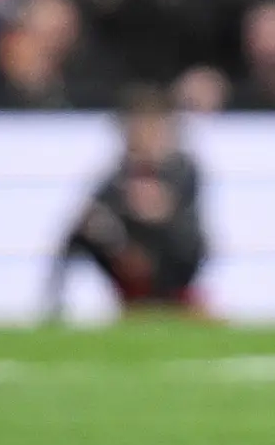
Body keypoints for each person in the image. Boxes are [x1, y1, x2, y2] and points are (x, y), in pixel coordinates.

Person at [48, 87, 211, 316]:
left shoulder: (182, 168)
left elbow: (173, 215)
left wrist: (149, 207)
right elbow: (95, 210)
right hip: (128, 253)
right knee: (83, 230)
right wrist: (119, 242)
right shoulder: (121, 172)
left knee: (180, 236)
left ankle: (170, 297)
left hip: (171, 256)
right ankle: (55, 306)